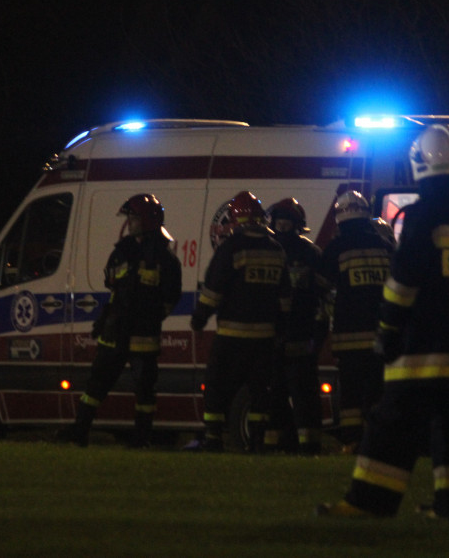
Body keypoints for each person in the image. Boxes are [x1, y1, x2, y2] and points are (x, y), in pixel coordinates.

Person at [317, 125, 449, 520]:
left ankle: (368, 503)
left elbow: (403, 283)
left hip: (421, 350)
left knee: (391, 427)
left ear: (418, 163)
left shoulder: (421, 217)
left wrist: (387, 330)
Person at [67, 194, 182, 447]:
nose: (129, 222)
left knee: (144, 390)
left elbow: (171, 296)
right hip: (116, 329)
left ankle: (141, 439)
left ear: (147, 220)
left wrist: (150, 315)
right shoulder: (123, 251)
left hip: (143, 333)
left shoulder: (165, 258)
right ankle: (79, 433)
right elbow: (111, 282)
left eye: (134, 217)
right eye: (129, 217)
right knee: (97, 384)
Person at [188, 191, 290, 452]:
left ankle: (213, 439)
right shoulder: (276, 249)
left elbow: (213, 291)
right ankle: (255, 441)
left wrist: (199, 318)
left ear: (236, 219)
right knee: (258, 392)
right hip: (264, 338)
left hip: (232, 336)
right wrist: (280, 330)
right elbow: (285, 299)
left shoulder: (231, 248)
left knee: (216, 385)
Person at [316, 190, 394, 452]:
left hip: (349, 336)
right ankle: (376, 440)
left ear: (340, 217)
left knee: (351, 393)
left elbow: (320, 286)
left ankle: (351, 441)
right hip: (380, 335)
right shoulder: (385, 247)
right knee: (376, 391)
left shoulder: (337, 247)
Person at [263, 198, 326, 455]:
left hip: (301, 336)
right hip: (272, 337)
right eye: (278, 220)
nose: (282, 225)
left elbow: (324, 295)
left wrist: (318, 335)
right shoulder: (266, 251)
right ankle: (273, 446)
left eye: (286, 220)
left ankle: (309, 446)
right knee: (273, 396)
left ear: (297, 224)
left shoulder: (310, 253)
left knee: (305, 397)